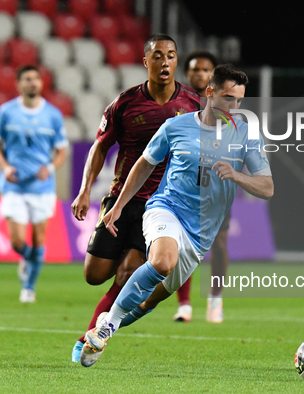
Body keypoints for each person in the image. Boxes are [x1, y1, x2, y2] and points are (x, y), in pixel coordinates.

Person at [79, 64, 273, 367]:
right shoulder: (176, 126)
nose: (233, 107)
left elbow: (267, 186)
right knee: (161, 261)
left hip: (200, 236)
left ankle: (109, 325)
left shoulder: (245, 134)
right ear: (210, 93)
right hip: (165, 209)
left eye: (238, 101)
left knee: (144, 303)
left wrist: (237, 176)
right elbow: (144, 164)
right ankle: (106, 326)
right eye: (227, 98)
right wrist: (118, 205)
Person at [70, 34, 201, 362]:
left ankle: (91, 336)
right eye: (157, 56)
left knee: (128, 273)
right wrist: (85, 190)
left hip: (161, 207)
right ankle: (111, 307)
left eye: (171, 55)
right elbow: (100, 146)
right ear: (146, 62)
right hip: (122, 200)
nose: (165, 62)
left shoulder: (194, 106)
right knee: (93, 275)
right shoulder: (125, 104)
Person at [0, 65, 68, 303]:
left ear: (41, 84)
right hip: (14, 185)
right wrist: (5, 166)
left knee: (39, 238)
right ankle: (26, 258)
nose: (32, 83)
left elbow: (62, 149)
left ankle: (29, 288)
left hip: (42, 188)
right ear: (18, 84)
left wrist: (50, 168)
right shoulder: (7, 111)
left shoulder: (53, 114)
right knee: (16, 241)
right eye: (27, 79)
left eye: (36, 79)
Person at [173, 50, 230, 324]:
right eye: (195, 69)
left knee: (218, 244)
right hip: (185, 183)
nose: (199, 73)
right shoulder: (177, 102)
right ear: (187, 73)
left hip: (217, 183)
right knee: (184, 245)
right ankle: (184, 304)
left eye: (205, 69)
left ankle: (215, 298)